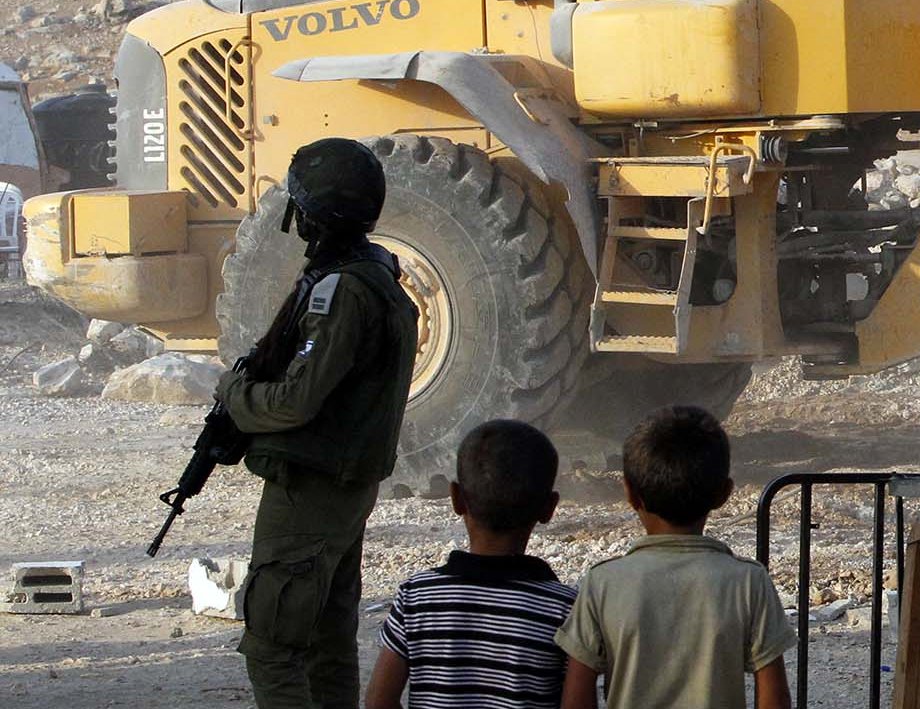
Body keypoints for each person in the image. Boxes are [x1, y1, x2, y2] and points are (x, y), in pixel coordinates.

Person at [216, 137, 420, 709]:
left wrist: (235, 394)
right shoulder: (374, 274)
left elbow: (296, 402)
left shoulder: (345, 288)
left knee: (273, 646)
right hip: (343, 484)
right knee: (328, 638)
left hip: (312, 485)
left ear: (313, 215)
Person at [555, 407, 793, 709]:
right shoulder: (749, 581)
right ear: (724, 494)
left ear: (629, 494)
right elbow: (774, 699)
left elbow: (575, 700)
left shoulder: (602, 583)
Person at [366, 421, 574, 709]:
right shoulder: (564, 608)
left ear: (456, 498)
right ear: (549, 508)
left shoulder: (417, 596)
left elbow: (379, 701)